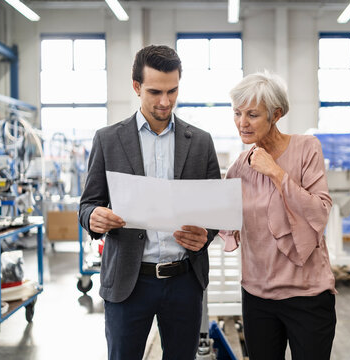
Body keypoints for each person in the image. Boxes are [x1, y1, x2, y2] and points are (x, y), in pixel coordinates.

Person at [79, 44, 221, 359]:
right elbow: (88, 204)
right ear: (136, 87)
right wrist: (93, 217)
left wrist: (206, 234)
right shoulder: (108, 140)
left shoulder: (200, 142)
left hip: (184, 281)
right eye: (155, 91)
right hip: (130, 282)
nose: (165, 101)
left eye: (173, 91)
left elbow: (215, 211)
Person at [221, 71, 336, 359]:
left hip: (307, 296)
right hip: (257, 296)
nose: (242, 122)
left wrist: (275, 171)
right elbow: (221, 215)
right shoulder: (239, 166)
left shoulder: (306, 148)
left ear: (276, 114)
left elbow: (319, 212)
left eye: (252, 114)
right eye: (237, 113)